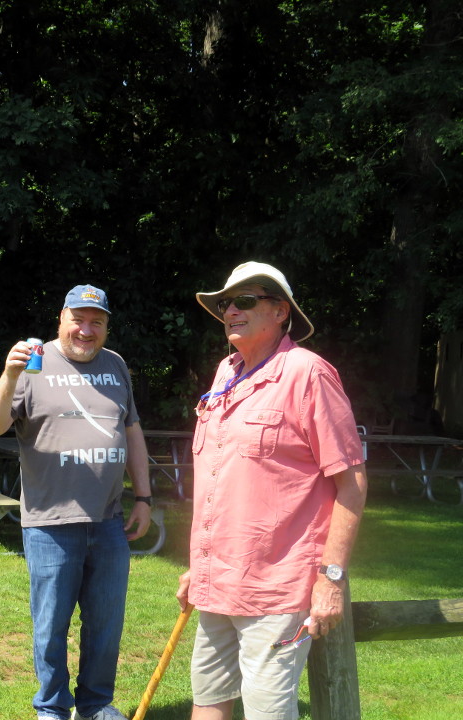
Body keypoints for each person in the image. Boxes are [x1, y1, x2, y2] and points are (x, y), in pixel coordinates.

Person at [176, 262, 367, 720]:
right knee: (207, 702)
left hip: (275, 591)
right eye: (226, 303)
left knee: (267, 712)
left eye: (245, 300)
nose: (231, 311)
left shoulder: (309, 374)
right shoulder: (226, 372)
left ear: (281, 311)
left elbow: (352, 481)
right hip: (216, 582)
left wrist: (331, 579)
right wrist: (197, 566)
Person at [0, 284, 152, 720]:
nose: (86, 330)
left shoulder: (116, 366)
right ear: (61, 319)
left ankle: (96, 705)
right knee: (51, 627)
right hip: (50, 523)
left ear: (107, 326)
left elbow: (131, 430)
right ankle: (52, 707)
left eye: (97, 322)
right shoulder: (34, 365)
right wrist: (9, 376)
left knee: (106, 626)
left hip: (109, 520)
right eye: (78, 319)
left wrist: (145, 496)